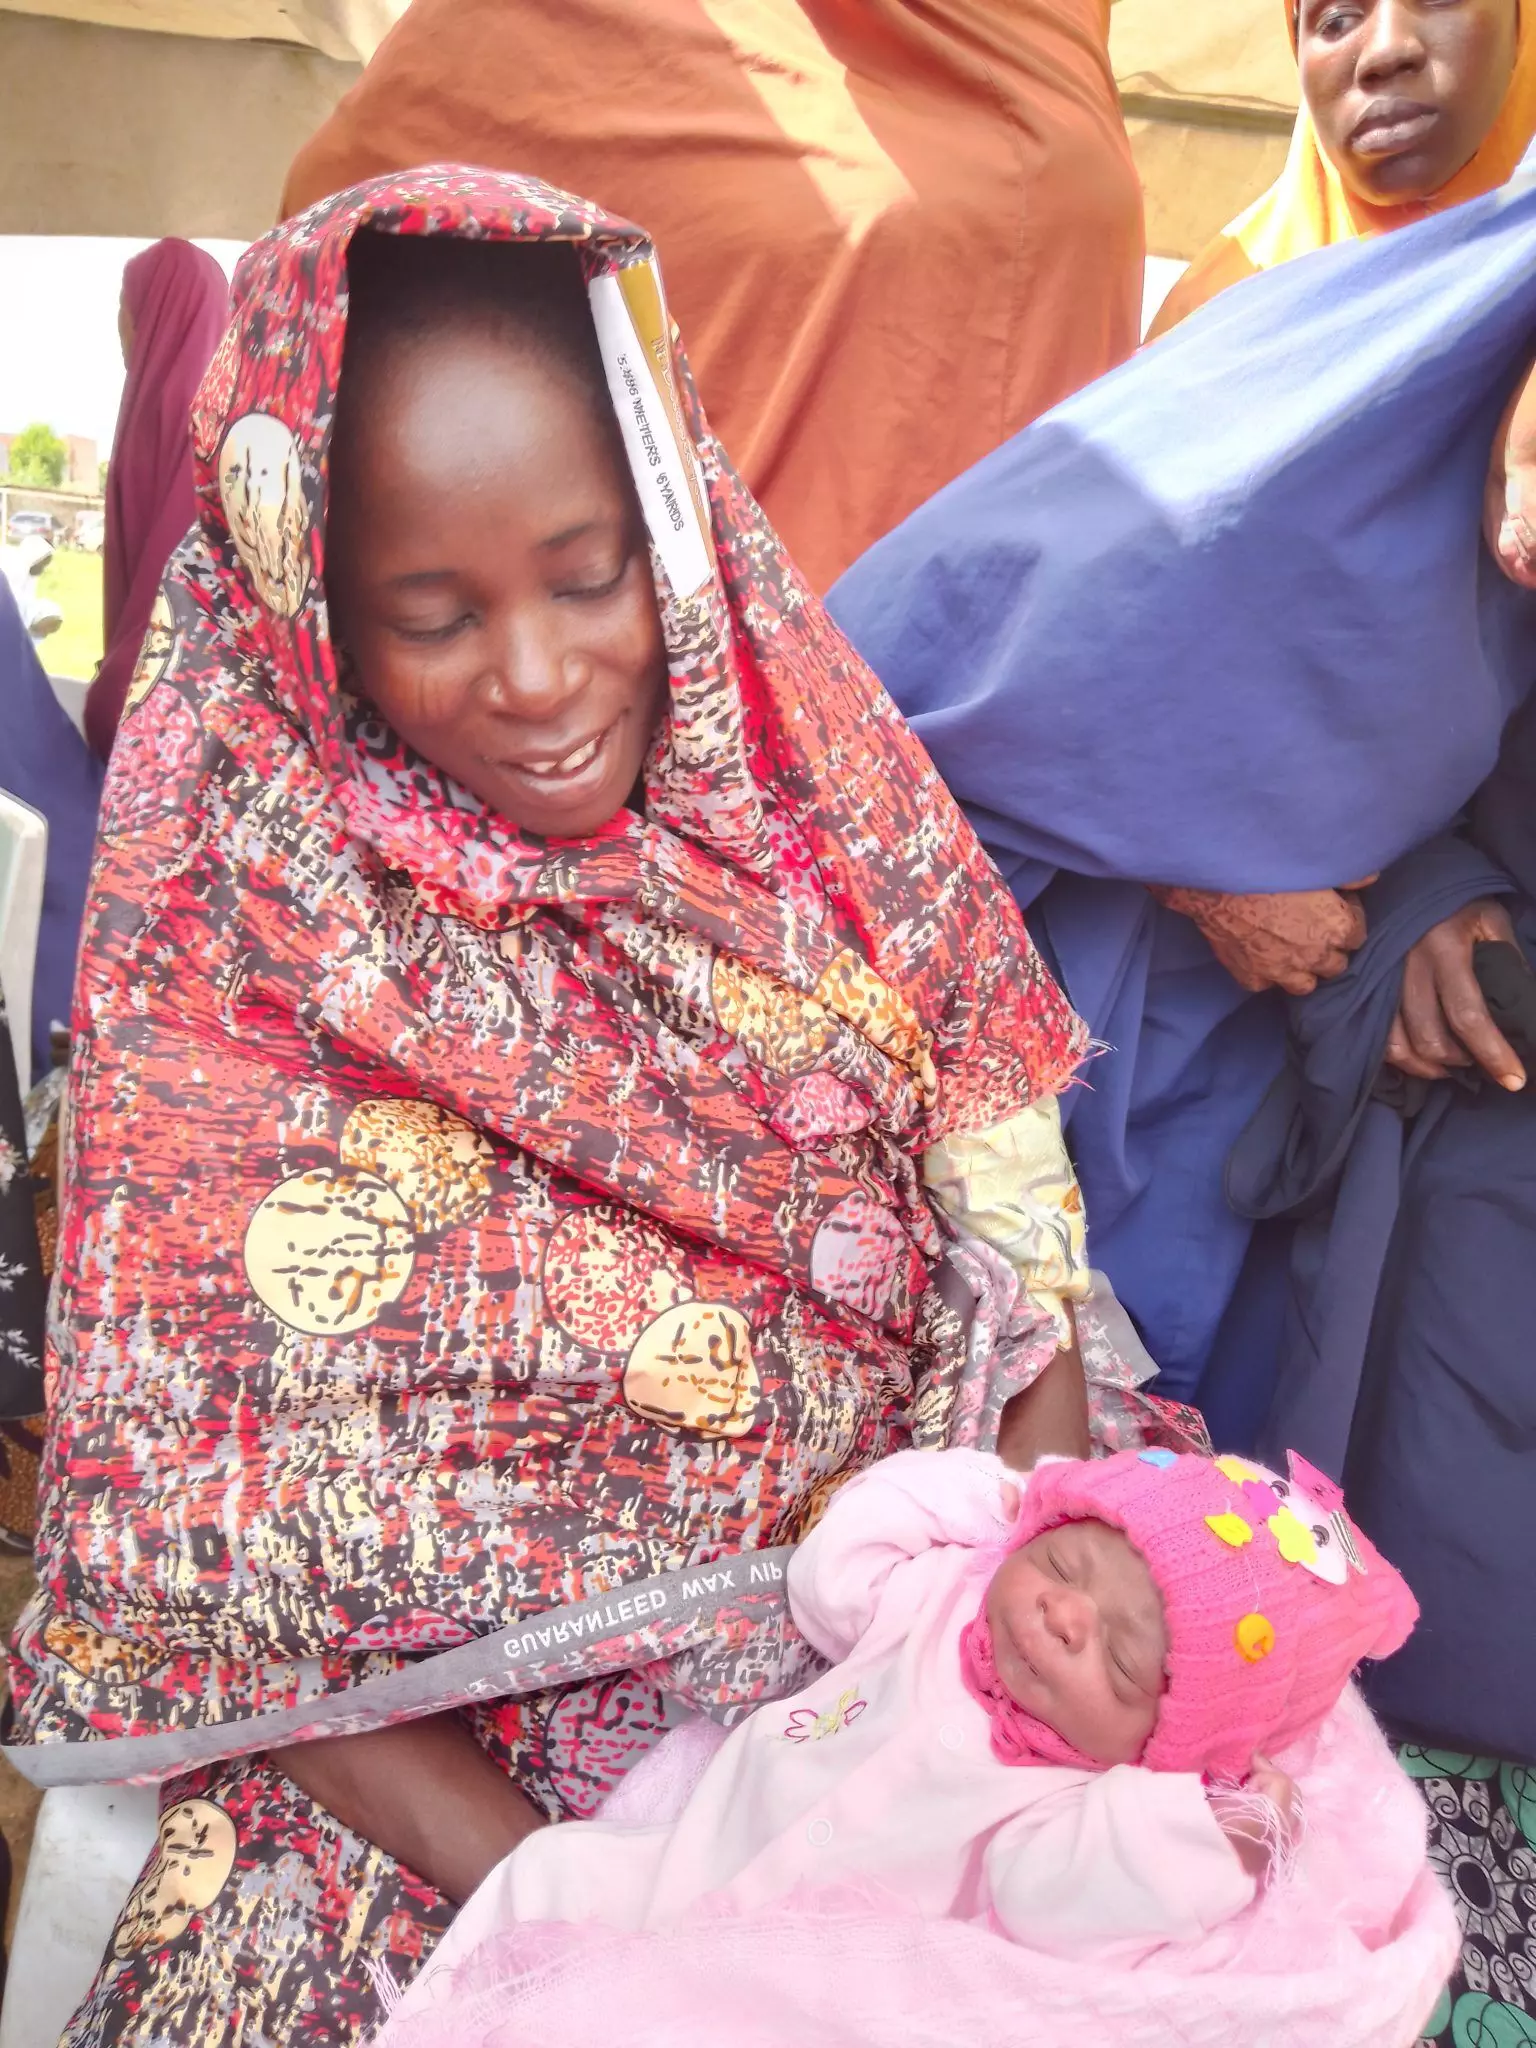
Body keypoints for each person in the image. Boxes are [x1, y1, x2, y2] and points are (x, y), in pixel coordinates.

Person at [5, 169, 1191, 2048]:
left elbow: (1015, 1290)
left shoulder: (816, 825)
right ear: (310, 615)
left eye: (588, 573)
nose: (544, 677)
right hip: (446, 1811)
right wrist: (619, 1916)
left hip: (897, 1698)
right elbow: (224, 1589)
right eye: (431, 611)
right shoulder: (246, 957)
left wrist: (966, 1711)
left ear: (674, 521)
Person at [374, 1446, 1444, 2048]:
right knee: (548, 1879)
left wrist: (1204, 1829)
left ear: (1160, 1740)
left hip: (795, 1977)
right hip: (685, 1857)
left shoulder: (1081, 1795)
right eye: (1066, 1562)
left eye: (1120, 1662)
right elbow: (833, 1564)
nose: (1064, 1619)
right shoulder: (945, 1596)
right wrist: (1007, 1497)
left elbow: (1058, 1896)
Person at [279, 0, 1144, 594]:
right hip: (736, 751)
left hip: (1045, 734)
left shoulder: (1049, 26)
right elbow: (323, 241)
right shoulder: (549, 32)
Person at [87, 238, 228, 759]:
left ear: (159, 316)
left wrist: (110, 698)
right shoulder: (228, 419)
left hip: (167, 737)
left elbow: (171, 606)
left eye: (126, 312)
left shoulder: (185, 422)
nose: (120, 332)